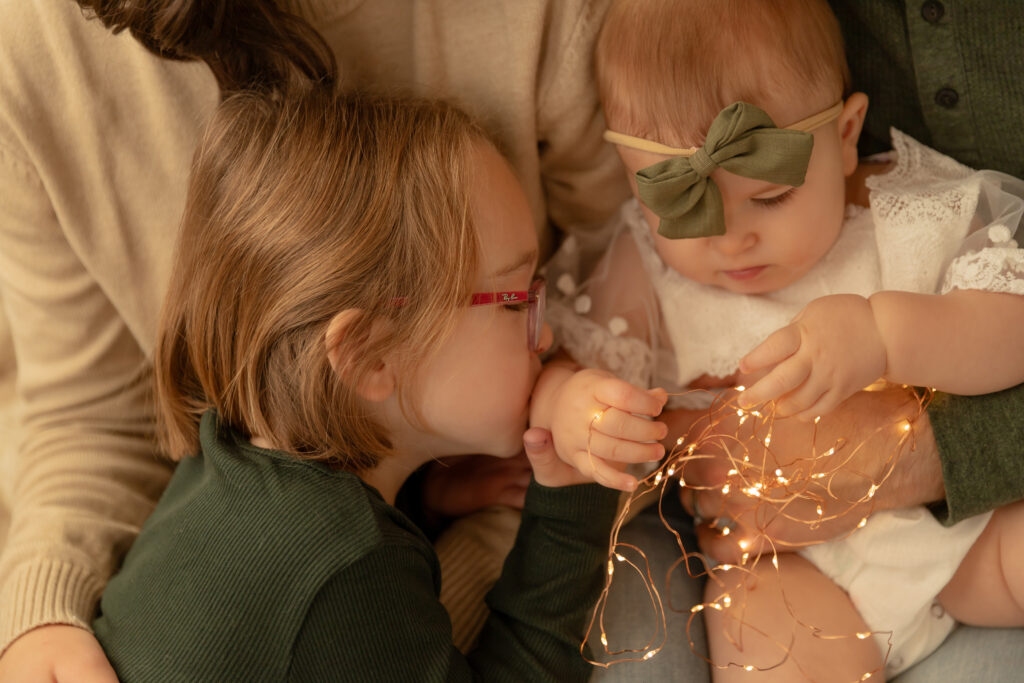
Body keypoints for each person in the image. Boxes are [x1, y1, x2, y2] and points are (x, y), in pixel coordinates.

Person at [0, 1, 628, 679]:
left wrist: (428, 499)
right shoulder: (353, 566)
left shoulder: (225, 444)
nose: (551, 329)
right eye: (517, 300)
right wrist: (571, 506)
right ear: (365, 354)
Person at [543, 0, 1024, 678]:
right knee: (757, 634)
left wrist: (886, 334)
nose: (731, 236)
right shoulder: (643, 267)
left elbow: (1012, 325)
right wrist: (576, 409)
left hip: (960, 533)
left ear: (848, 132)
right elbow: (573, 368)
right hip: (785, 572)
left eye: (769, 197)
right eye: (684, 206)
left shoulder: (903, 207)